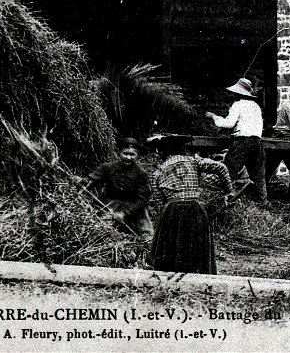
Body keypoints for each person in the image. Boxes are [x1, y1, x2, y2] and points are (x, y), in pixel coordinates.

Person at [148, 137, 233, 274]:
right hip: (195, 208)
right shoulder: (193, 161)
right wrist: (229, 191)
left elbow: (159, 204)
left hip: (171, 210)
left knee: (172, 246)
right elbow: (221, 167)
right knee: (197, 246)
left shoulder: (157, 173)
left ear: (162, 153)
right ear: (183, 150)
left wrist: (164, 219)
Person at [207, 77, 266, 203]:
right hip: (257, 142)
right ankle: (263, 201)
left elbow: (229, 123)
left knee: (228, 171)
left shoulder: (237, 105)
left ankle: (222, 197)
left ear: (237, 93)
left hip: (242, 142)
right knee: (258, 175)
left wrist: (214, 117)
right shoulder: (255, 106)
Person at [83, 137, 153, 240]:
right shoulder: (107, 167)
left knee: (147, 235)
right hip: (111, 205)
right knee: (102, 229)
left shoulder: (142, 174)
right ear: (119, 153)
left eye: (132, 154)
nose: (128, 157)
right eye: (125, 153)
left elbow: (142, 199)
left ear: (138, 156)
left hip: (134, 207)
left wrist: (124, 212)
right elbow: (93, 178)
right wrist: (85, 181)